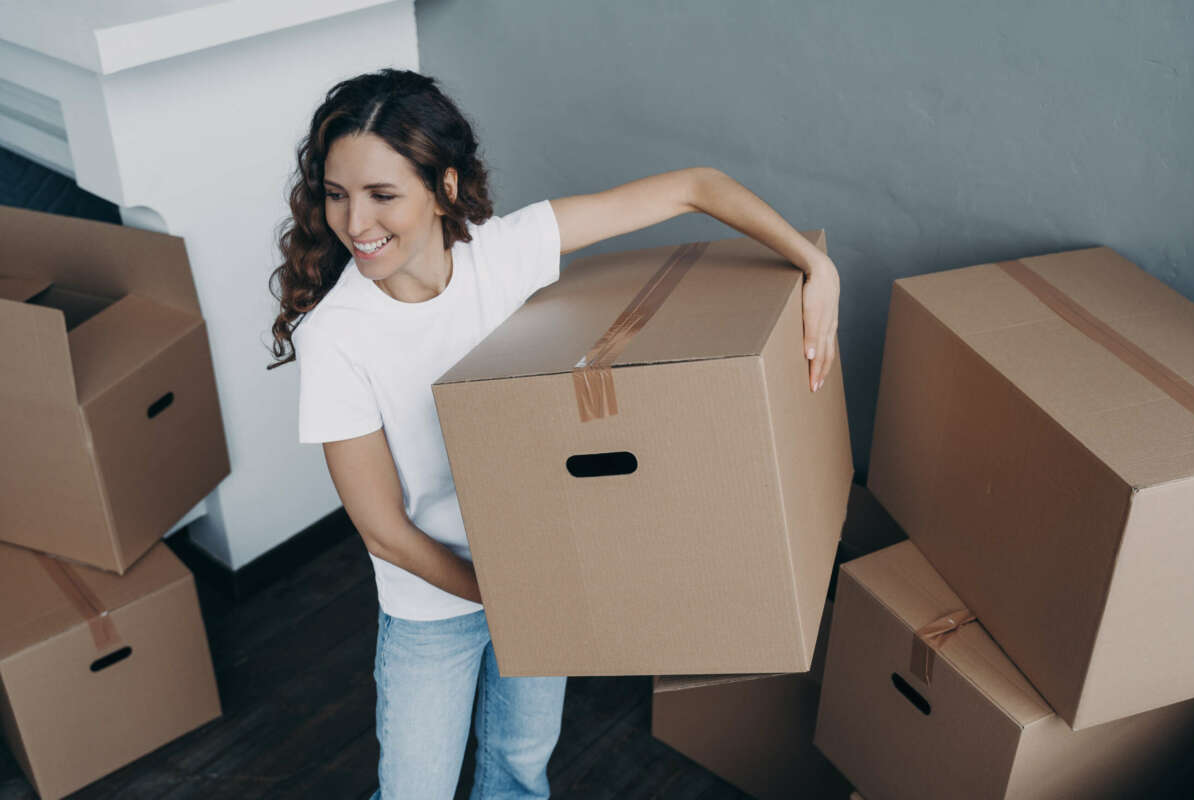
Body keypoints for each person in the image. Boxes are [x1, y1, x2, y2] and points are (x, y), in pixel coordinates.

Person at [267, 68, 840, 800]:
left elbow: (695, 186)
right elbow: (384, 531)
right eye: (338, 195)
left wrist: (814, 264)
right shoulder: (338, 335)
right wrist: (509, 599)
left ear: (443, 188)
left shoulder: (504, 253)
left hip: (538, 560)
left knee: (519, 771)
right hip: (433, 602)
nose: (356, 223)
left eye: (383, 195)